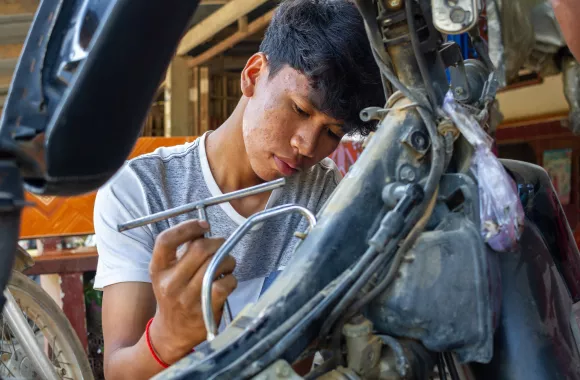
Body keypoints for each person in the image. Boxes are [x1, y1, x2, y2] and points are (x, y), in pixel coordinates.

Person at [92, 0, 385, 378]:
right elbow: (118, 372)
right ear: (253, 74)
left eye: (332, 132)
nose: (307, 145)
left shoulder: (326, 195)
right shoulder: (140, 189)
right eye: (299, 109)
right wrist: (167, 339)